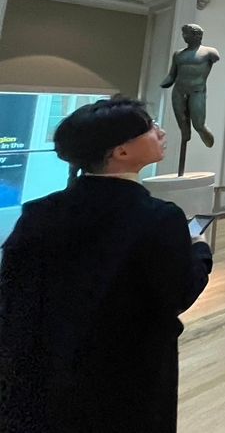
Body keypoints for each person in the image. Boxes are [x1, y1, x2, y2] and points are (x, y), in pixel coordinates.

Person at [0, 97, 213, 432]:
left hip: (44, 373)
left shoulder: (39, 212)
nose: (160, 132)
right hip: (128, 375)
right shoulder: (159, 218)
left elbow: (13, 291)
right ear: (121, 151)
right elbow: (179, 292)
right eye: (149, 127)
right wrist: (200, 249)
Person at [160, 23, 220, 175]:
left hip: (197, 90)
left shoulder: (209, 53)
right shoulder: (178, 54)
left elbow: (215, 59)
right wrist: (165, 82)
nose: (184, 37)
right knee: (183, 125)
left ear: (197, 35)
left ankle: (204, 133)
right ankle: (185, 136)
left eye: (187, 34)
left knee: (198, 124)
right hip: (179, 90)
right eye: (184, 34)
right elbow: (172, 74)